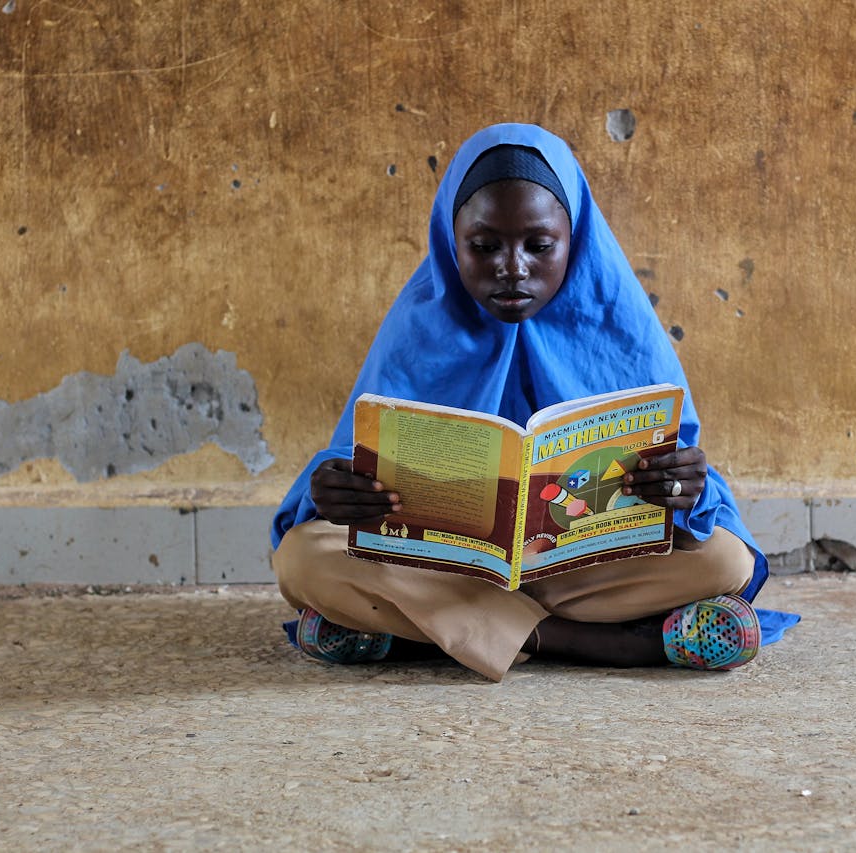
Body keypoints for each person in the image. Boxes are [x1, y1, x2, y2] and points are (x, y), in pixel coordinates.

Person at [271, 122, 793, 682]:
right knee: (303, 558)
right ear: (452, 241)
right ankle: (591, 642)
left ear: (576, 239)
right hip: (451, 566)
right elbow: (346, 468)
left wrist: (682, 488)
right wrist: (334, 490)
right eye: (484, 245)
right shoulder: (416, 329)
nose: (513, 267)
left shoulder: (622, 327)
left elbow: (686, 502)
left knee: (725, 560)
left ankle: (421, 629)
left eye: (539, 246)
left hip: (576, 571)